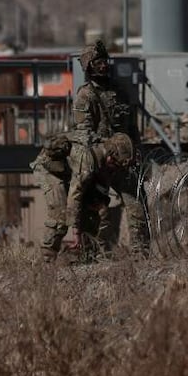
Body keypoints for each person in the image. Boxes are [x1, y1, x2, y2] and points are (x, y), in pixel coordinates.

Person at [71, 40, 151, 254]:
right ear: (89, 66)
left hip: (123, 161)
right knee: (94, 211)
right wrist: (102, 155)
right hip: (100, 163)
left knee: (137, 207)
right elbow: (84, 134)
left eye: (104, 61)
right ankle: (91, 254)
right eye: (97, 62)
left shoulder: (120, 91)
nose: (103, 65)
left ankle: (141, 253)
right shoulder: (85, 96)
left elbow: (132, 126)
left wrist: (136, 152)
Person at [31, 131, 135, 262]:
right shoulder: (87, 161)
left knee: (94, 209)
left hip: (70, 173)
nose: (115, 170)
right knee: (61, 215)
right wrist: (76, 233)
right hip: (49, 171)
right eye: (115, 165)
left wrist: (99, 203)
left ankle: (87, 254)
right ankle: (46, 259)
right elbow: (75, 197)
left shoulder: (106, 163)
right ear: (110, 157)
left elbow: (101, 190)